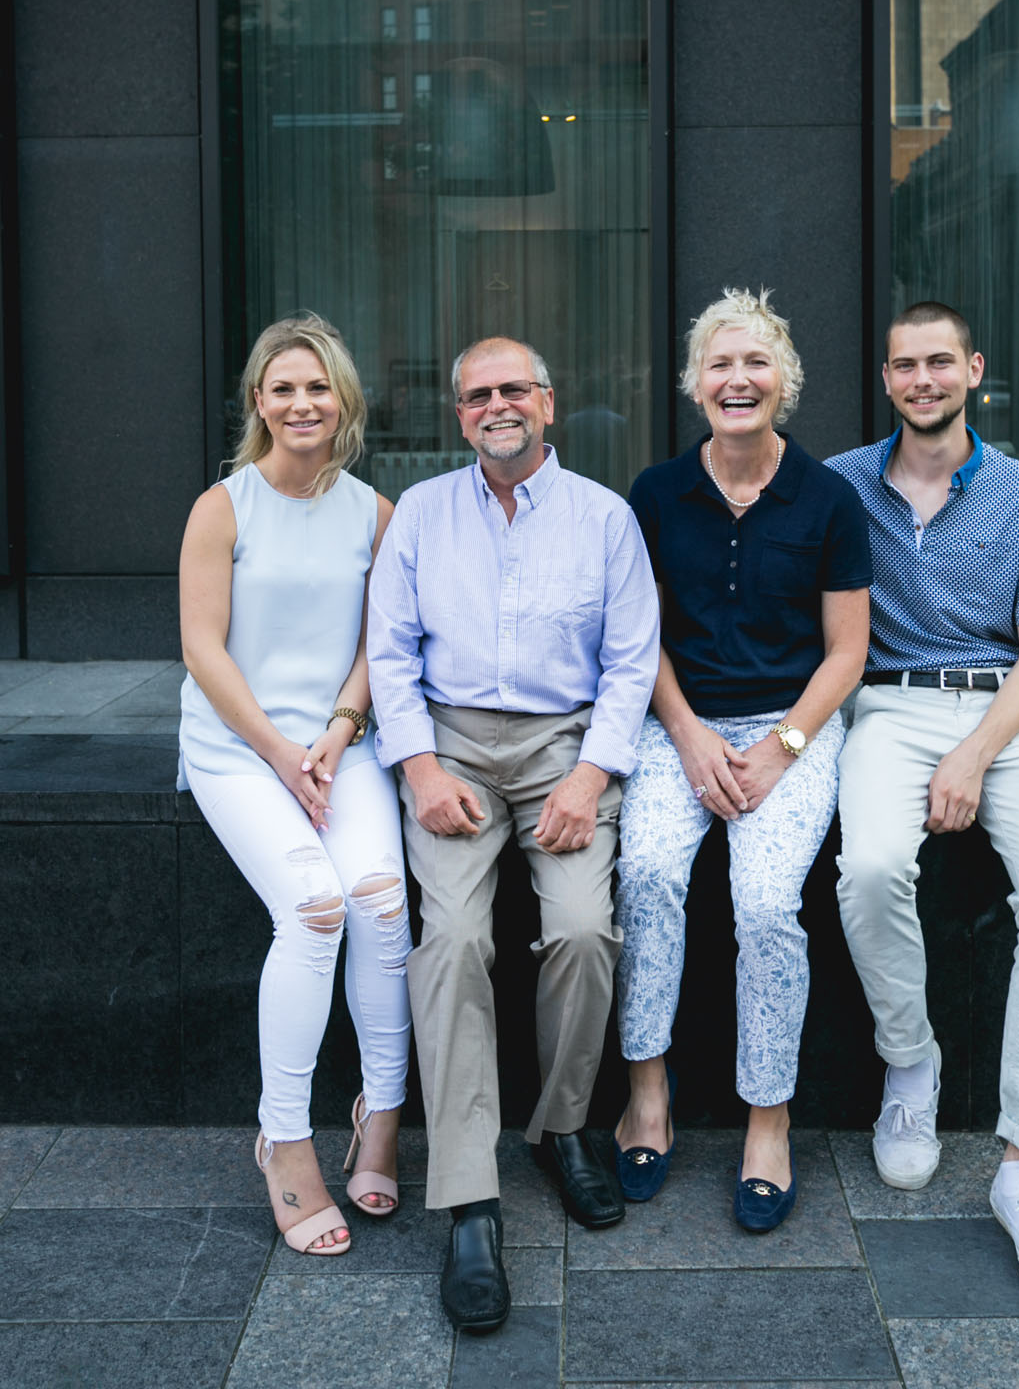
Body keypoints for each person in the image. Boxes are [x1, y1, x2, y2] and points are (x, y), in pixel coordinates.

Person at [367, 337, 659, 1333]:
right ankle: (467, 1198)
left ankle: (562, 1128)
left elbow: (630, 662)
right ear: (460, 416)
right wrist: (416, 765)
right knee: (449, 940)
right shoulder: (419, 516)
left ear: (549, 400)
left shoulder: (605, 518)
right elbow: (390, 652)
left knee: (581, 928)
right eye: (478, 393)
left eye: (514, 388)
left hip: (562, 748)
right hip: (447, 744)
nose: (498, 404)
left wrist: (590, 771)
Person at [827, 301, 1019, 1304]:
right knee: (871, 868)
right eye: (905, 365)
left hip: (1008, 713)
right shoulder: (843, 485)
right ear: (887, 378)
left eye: (941, 361)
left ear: (973, 369)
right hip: (888, 706)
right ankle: (912, 1064)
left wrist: (977, 754)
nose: (923, 379)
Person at [613, 288, 871, 1229]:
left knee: (765, 904)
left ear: (784, 382)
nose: (737, 379)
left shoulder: (828, 498)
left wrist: (780, 748)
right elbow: (636, 641)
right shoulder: (654, 494)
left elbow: (846, 650)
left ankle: (769, 1116)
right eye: (719, 364)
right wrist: (685, 736)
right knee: (643, 873)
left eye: (755, 362)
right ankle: (648, 1095)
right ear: (694, 385)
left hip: (791, 725)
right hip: (672, 721)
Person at [178, 313, 411, 1257]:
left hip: (341, 744)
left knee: (381, 902)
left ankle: (382, 1112)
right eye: (283, 389)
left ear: (342, 400)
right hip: (239, 749)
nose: (301, 403)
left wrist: (340, 729)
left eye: (317, 387)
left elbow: (380, 644)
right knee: (315, 908)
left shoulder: (376, 513)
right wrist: (280, 751)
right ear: (258, 404)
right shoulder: (222, 507)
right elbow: (201, 647)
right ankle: (283, 1136)